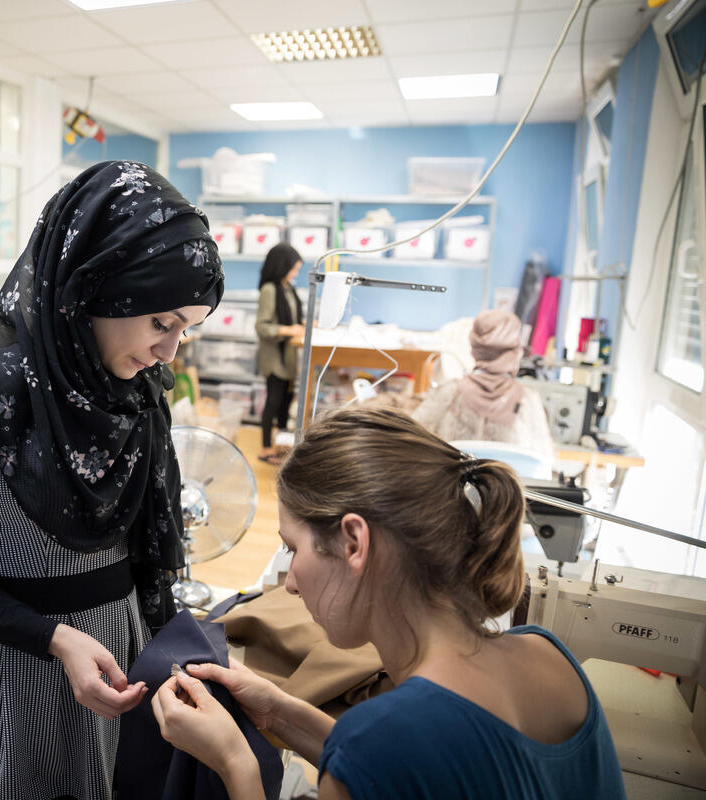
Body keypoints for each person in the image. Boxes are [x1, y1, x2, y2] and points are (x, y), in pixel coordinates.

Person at [0, 160, 224, 800]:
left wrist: (164, 640)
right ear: (94, 290)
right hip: (20, 663)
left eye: (188, 328)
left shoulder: (137, 394)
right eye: (161, 323)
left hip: (123, 653)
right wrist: (55, 639)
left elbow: (145, 543)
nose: (170, 353)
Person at [150, 406, 625, 800]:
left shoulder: (380, 742)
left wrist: (236, 762)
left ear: (355, 542)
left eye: (295, 550)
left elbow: (385, 758)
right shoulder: (550, 655)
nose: (290, 584)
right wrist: (279, 713)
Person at [412, 309, 552, 457]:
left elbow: (411, 444)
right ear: (516, 352)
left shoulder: (449, 393)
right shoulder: (528, 400)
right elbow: (544, 462)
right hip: (505, 480)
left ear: (474, 349)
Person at [255, 243, 306, 465]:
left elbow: (292, 318)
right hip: (274, 355)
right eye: (293, 269)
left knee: (285, 401)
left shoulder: (288, 289)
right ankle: (266, 448)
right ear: (282, 267)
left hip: (288, 355)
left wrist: (303, 324)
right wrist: (290, 330)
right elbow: (262, 326)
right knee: (274, 400)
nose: (295, 274)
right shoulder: (269, 290)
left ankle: (281, 445)